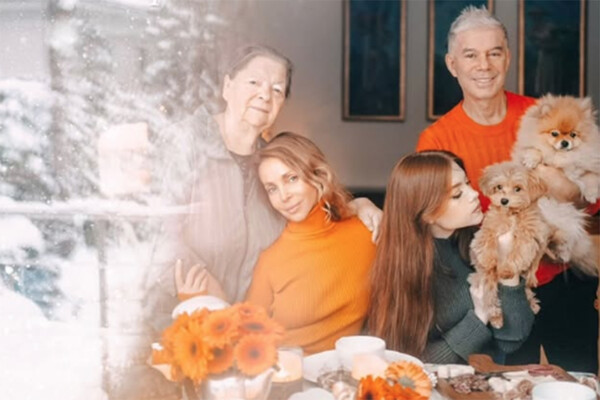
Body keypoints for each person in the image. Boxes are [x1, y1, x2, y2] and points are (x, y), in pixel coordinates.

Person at [147, 44, 381, 329]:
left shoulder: (270, 165)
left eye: (277, 90)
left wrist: (357, 206)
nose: (265, 95)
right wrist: (212, 297)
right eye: (254, 82)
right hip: (180, 321)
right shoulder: (185, 142)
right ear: (227, 87)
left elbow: (306, 214)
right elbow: (158, 234)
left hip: (247, 330)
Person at [416, 6, 598, 371]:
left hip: (563, 279)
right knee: (508, 386)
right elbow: (434, 228)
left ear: (508, 58)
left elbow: (591, 199)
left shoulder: (543, 118)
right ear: (452, 64)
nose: (483, 66)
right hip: (500, 290)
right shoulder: (436, 140)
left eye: (494, 53)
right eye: (471, 55)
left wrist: (567, 189)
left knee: (579, 380)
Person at [178, 132, 376, 355]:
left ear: (317, 174)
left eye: (291, 179)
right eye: (272, 188)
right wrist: (199, 305)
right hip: (285, 372)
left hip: (348, 371)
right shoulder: (271, 259)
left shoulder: (367, 230)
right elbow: (242, 339)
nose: (284, 196)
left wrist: (364, 205)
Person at [368, 151, 534, 363]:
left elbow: (513, 339)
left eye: (468, 183)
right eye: (457, 194)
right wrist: (479, 317)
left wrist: (507, 266)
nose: (473, 194)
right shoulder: (401, 268)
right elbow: (409, 362)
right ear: (427, 213)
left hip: (488, 378)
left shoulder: (482, 243)